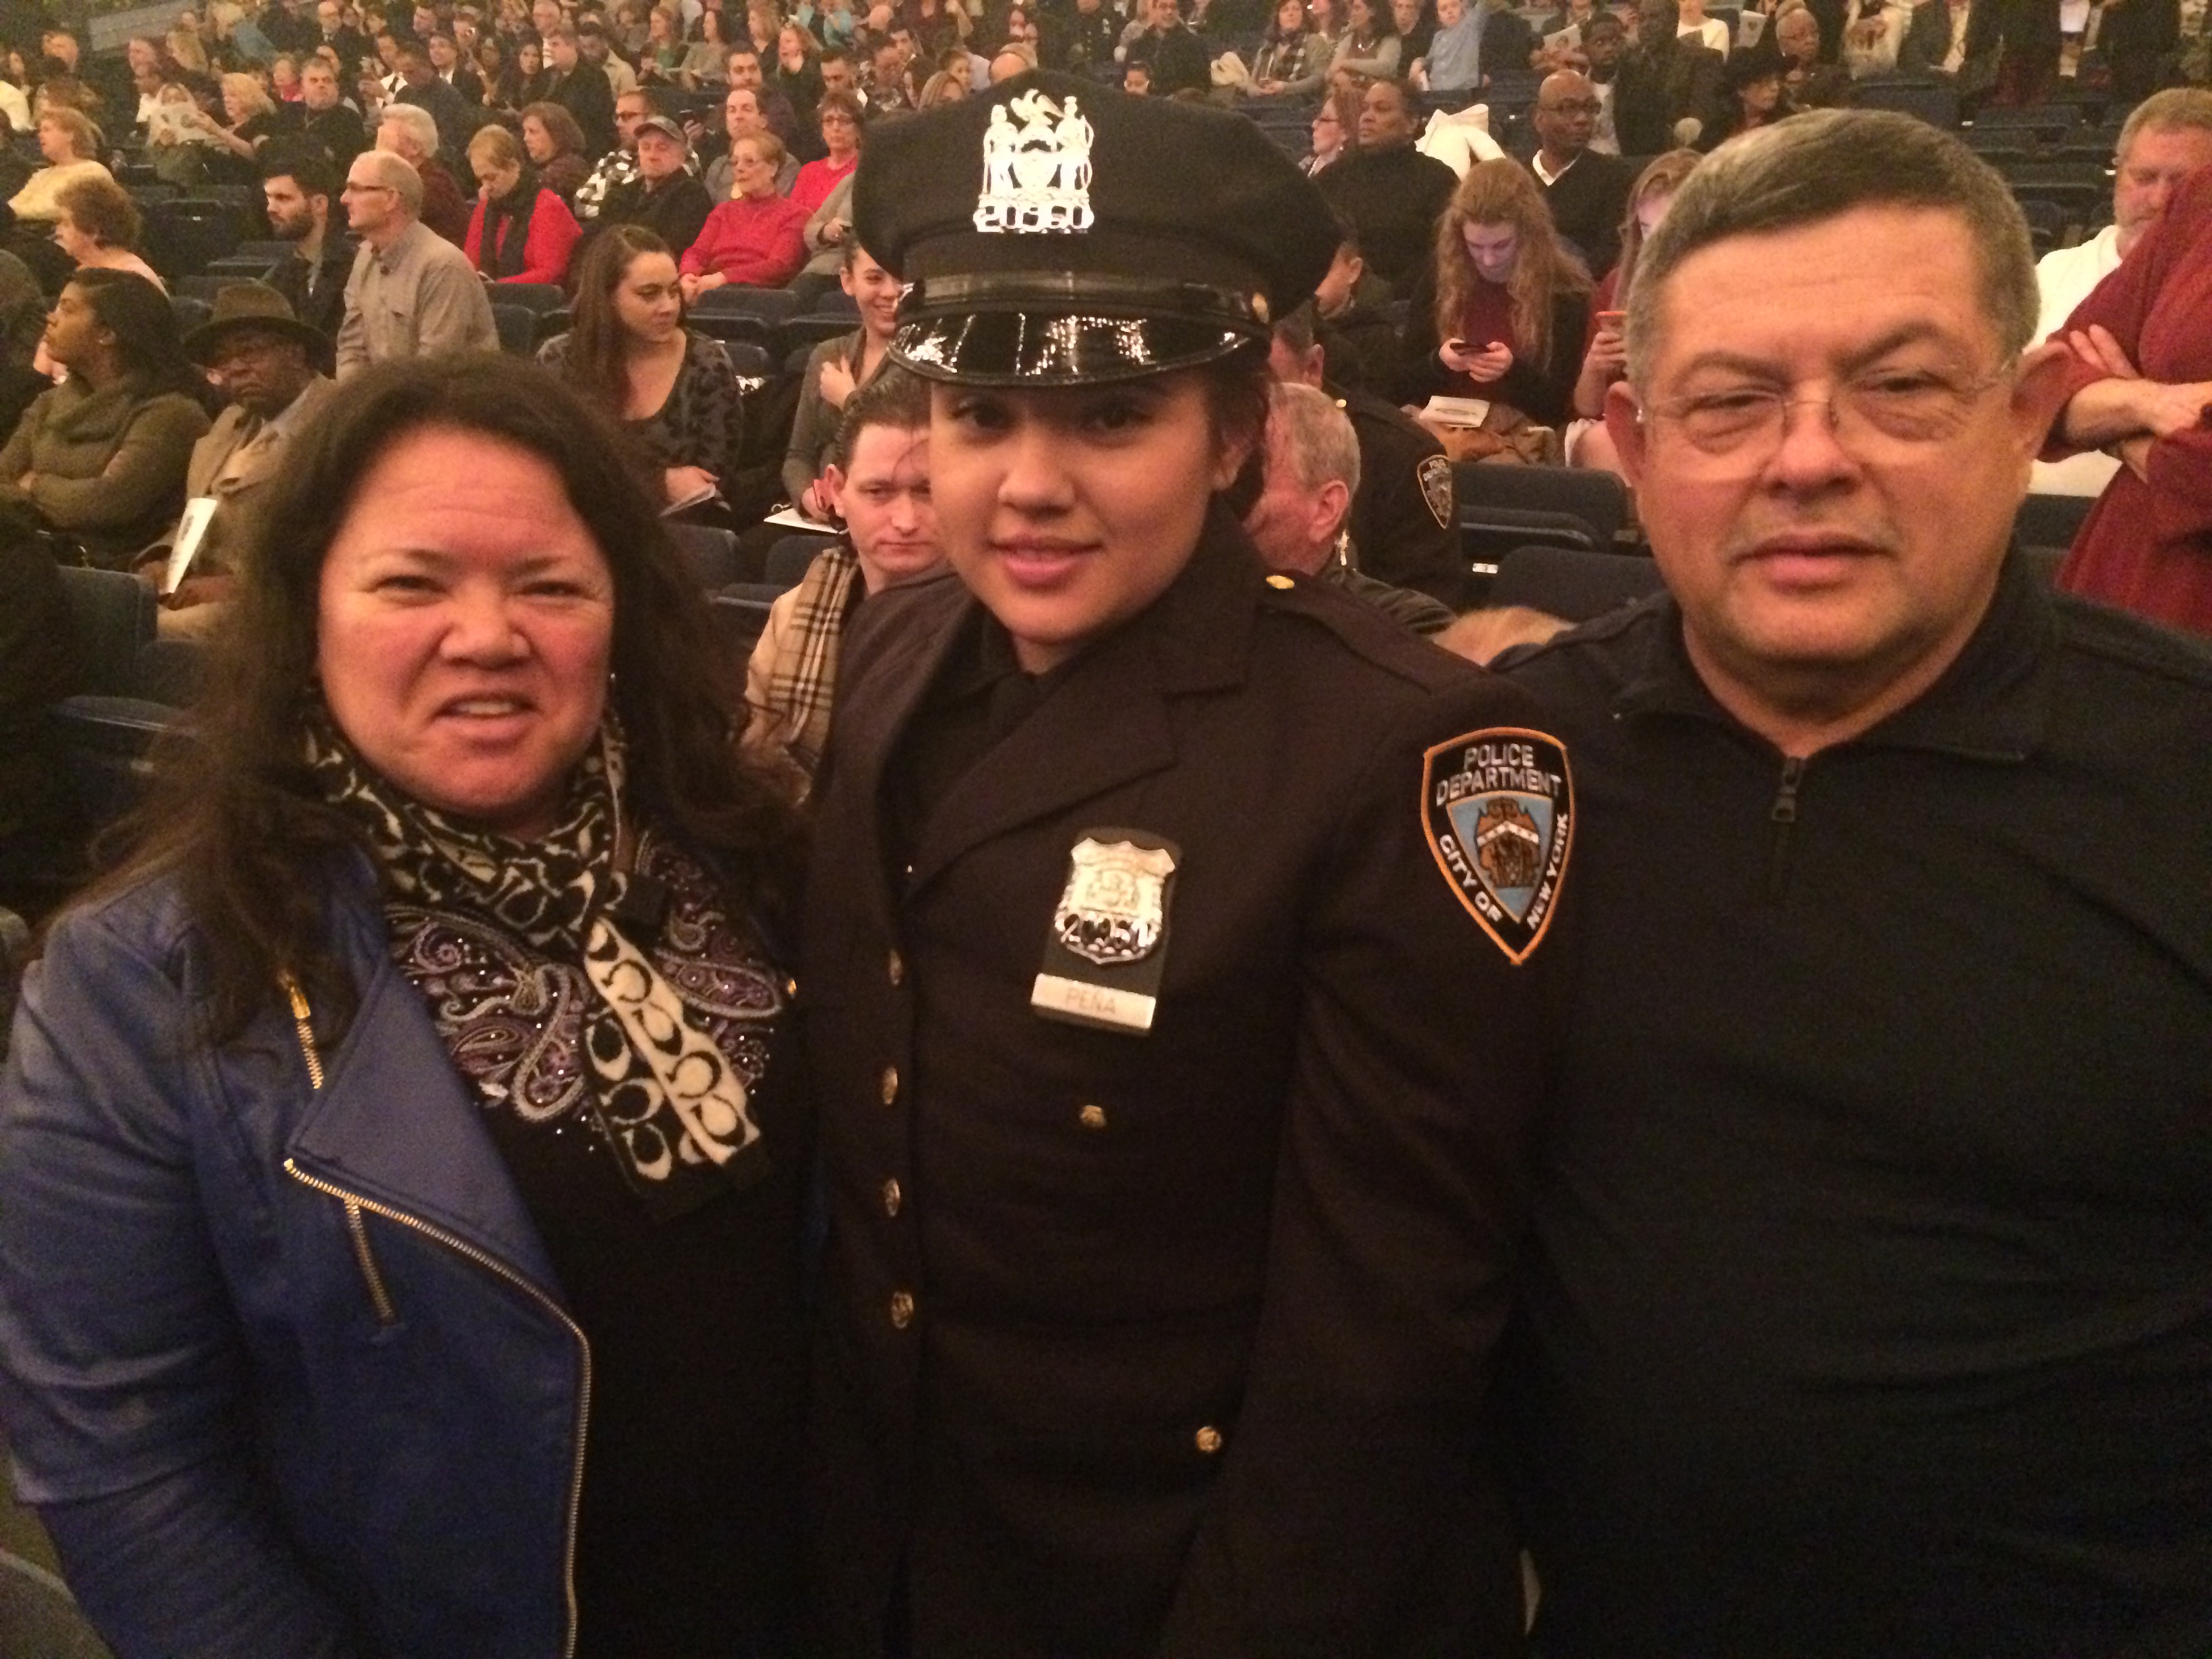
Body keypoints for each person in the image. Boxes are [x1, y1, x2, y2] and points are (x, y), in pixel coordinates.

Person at [815, 67, 1568, 1657]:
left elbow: (1383, 1333)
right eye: (979, 414)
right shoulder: (899, 647)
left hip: (1189, 1581)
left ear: (1234, 435)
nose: (1028, 482)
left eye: (1111, 415)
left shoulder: (1409, 751)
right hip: (917, 1535)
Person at [1498, 107, 2212, 1654]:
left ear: (2027, 413)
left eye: (1896, 389)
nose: (1808, 458)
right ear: (1632, 443)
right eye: (1730, 402)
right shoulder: (1506, 763)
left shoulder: (2187, 778)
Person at [0, 353, 811, 1659]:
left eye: (548, 584)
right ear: (308, 614)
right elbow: (122, 1461)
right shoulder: (142, 978)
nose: (487, 634)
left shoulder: (749, 856)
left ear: (620, 612)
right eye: (409, 582)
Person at [745, 363, 944, 782]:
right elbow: (753, 766)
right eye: (879, 492)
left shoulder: (1003, 628)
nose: (905, 520)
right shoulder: (792, 613)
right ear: (836, 491)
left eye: (928, 491)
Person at [2041, 164, 2212, 635]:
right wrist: (2144, 403)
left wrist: (2127, 437)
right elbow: (2054, 374)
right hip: (2123, 583)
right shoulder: (2203, 195)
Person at [2029, 87, 2212, 499]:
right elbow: (2023, 402)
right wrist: (2147, 404)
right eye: (2145, 178)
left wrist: (2112, 418)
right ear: (2118, 172)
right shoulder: (2048, 275)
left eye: (2184, 185)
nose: (2161, 199)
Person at [149, 281, 340, 634]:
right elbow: (203, 509)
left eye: (250, 352)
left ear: (296, 354)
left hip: (283, 601)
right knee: (114, 610)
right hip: (194, 584)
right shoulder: (230, 422)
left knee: (146, 631)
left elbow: (339, 544)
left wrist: (237, 586)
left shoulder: (341, 425)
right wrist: (166, 559)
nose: (235, 368)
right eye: (224, 360)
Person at [0, 271, 211, 570]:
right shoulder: (48, 402)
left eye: (68, 309)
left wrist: (33, 483)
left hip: (112, 571)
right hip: (37, 555)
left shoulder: (170, 413)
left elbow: (109, 504)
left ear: (107, 334)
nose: (51, 318)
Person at [541, 224, 748, 517]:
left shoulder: (706, 362)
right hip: (579, 523)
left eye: (674, 291)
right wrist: (659, 482)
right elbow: (549, 469)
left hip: (680, 531)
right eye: (649, 294)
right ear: (607, 297)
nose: (668, 307)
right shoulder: (559, 358)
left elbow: (709, 484)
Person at [1270, 302, 1468, 607]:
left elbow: (1423, 620)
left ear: (1312, 369)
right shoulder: (1194, 454)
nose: (1241, 411)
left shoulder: (1397, 454)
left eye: (1264, 387)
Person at [1244, 380, 1457, 634]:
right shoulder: (1192, 600)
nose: (1224, 491)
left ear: (1326, 509)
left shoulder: (1406, 627)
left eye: (1249, 477)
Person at [1404, 157, 1593, 428]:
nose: (1488, 260)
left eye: (1501, 246)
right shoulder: (1440, 278)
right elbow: (1401, 384)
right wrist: (1439, 362)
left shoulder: (1564, 292)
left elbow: (1561, 407)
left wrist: (1512, 372)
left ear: (1528, 235)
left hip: (1518, 432)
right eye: (1475, 247)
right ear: (1459, 238)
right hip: (1442, 427)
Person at [1569, 145, 1698, 470]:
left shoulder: (1736, 286)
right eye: (1647, 231)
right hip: (1629, 417)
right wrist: (1596, 366)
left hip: (1698, 418)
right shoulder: (1619, 284)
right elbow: (1585, 406)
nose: (1656, 248)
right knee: (1600, 443)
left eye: (1670, 232)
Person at [336, 148, 500, 375]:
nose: (344, 199)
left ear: (391, 199)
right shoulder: (365, 257)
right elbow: (351, 349)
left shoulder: (442, 265)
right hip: (384, 399)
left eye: (356, 189)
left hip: (446, 404)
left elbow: (434, 371)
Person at [783, 239, 900, 518]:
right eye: (874, 278)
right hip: (826, 516)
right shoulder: (828, 354)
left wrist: (848, 400)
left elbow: (901, 455)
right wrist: (807, 496)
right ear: (848, 281)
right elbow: (797, 456)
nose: (891, 292)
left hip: (890, 514)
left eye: (902, 280)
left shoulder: (927, 361)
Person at [1315, 79, 1458, 287]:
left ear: (1411, 123)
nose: (1367, 117)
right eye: (1365, 109)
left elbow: (1446, 258)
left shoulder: (1438, 180)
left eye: (1381, 109)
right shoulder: (1332, 176)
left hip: (1404, 306)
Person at [1524, 68, 1635, 277]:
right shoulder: (1516, 179)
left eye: (1590, 108)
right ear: (1539, 118)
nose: (1582, 119)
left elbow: (1611, 256)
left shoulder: (1615, 177)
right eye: (1567, 108)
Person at [464, 121, 584, 284]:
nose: (485, 187)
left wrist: (497, 287)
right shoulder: (485, 207)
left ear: (514, 166)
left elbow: (551, 274)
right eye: (481, 179)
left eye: (491, 177)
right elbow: (469, 263)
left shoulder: (547, 207)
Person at [589, 109, 715, 262]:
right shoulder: (620, 195)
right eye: (646, 147)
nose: (652, 156)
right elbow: (595, 242)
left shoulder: (692, 196)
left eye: (662, 148)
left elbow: (674, 251)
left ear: (682, 155)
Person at [262, 146, 354, 341]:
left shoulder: (357, 268)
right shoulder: (275, 278)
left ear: (319, 204)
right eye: (269, 198)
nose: (271, 208)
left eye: (283, 198)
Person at [1613, 0, 1721, 152]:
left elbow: (1700, 119)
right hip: (1636, 156)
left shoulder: (1702, 60)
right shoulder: (1630, 64)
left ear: (1673, 21)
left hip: (1684, 154)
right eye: (1642, 19)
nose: (1646, 25)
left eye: (1654, 17)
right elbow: (1622, 121)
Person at [49, 173, 165, 292]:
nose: (58, 232)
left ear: (94, 231)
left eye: (66, 224)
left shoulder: (130, 280)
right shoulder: (87, 271)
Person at [378, 102, 473, 245]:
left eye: (384, 140)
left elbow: (383, 222)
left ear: (414, 148)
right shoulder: (412, 179)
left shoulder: (430, 187)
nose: (376, 150)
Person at [704, 86, 800, 198]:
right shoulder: (718, 167)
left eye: (747, 109)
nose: (738, 116)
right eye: (732, 111)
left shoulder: (785, 164)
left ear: (763, 121)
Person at [542, 22, 617, 152]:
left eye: (555, 45)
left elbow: (595, 122)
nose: (550, 50)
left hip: (586, 148)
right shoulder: (548, 76)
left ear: (571, 45)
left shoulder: (594, 76)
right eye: (548, 46)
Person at [281, 56, 369, 166]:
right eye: (314, 80)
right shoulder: (290, 112)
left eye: (327, 80)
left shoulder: (349, 119)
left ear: (336, 87)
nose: (321, 84)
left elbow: (350, 164)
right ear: (303, 88)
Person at [1246, 0, 1328, 95]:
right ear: (1278, 18)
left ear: (1304, 15)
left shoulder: (1314, 41)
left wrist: (1286, 87)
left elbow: (1320, 78)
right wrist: (1260, 91)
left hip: (1301, 104)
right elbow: (1251, 86)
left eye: (1296, 9)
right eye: (1285, 10)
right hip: (1264, 103)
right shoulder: (1266, 48)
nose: (1290, 13)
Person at [520, 98, 593, 199]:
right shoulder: (543, 167)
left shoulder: (566, 171)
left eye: (533, 132)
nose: (526, 138)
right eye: (525, 132)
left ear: (555, 134)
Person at [1409, 0, 1483, 90]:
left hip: (1462, 92)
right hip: (1435, 93)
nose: (1450, 11)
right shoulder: (1438, 36)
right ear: (1439, 16)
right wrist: (1418, 62)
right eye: (1444, 9)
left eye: (1454, 6)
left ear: (1462, 7)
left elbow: (1483, 6)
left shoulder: (1471, 25)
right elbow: (1429, 60)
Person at [1330, 0, 1404, 77]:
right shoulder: (1349, 38)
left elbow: (1385, 67)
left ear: (1373, 11)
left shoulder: (1390, 38)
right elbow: (1333, 69)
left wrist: (1348, 64)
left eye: (1357, 8)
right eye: (1353, 9)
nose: (1353, 14)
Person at [1302, 79, 1359, 176]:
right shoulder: (1306, 162)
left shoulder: (1347, 177)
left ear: (1346, 131)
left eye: (1324, 119)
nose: (1314, 125)